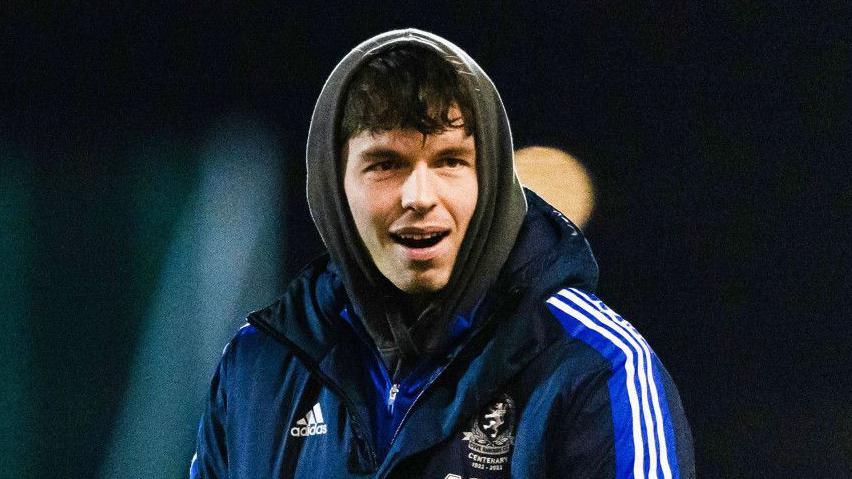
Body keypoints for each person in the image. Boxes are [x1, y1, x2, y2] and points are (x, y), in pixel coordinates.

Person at [190, 28, 695, 478]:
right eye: (386, 164)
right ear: (332, 188)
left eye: (450, 161)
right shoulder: (256, 369)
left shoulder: (597, 367)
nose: (419, 196)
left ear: (491, 181)